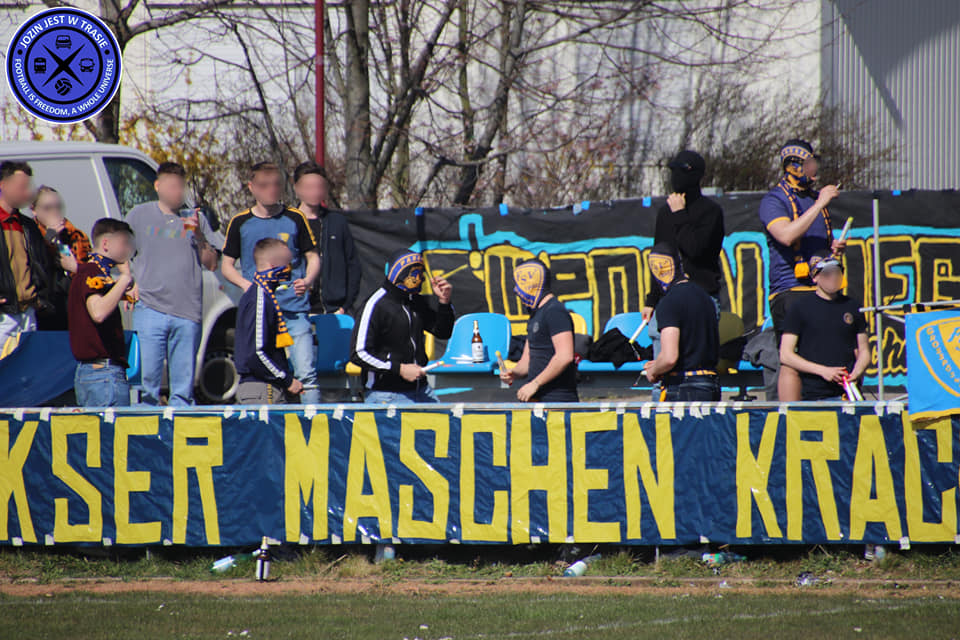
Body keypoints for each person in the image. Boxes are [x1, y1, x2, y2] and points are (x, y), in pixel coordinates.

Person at [222, 162, 321, 403]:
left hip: (293, 310)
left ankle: (314, 432)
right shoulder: (240, 222)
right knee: (266, 371)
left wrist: (307, 280)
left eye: (276, 185)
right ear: (252, 187)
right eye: (264, 186)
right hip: (262, 312)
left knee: (306, 376)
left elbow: (312, 257)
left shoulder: (294, 217)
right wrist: (248, 286)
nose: (271, 191)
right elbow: (226, 265)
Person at [126, 162, 219, 406]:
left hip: (187, 311)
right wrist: (129, 283)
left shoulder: (195, 218)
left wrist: (199, 234)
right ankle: (144, 428)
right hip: (150, 307)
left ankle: (180, 424)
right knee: (147, 381)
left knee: (183, 385)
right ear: (158, 186)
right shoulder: (139, 215)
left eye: (181, 186)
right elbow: (121, 252)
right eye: (171, 186)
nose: (177, 191)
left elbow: (211, 263)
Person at [758, 139, 845, 401]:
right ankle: (791, 417)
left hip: (819, 289)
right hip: (791, 292)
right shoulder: (775, 199)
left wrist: (833, 249)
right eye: (808, 163)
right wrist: (820, 204)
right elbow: (785, 235)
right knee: (792, 359)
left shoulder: (813, 199)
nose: (813, 169)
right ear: (793, 166)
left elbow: (814, 246)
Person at [642, 150, 724, 357]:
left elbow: (696, 250)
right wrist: (651, 299)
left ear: (696, 175)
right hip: (667, 299)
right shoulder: (665, 212)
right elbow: (660, 259)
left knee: (698, 364)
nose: (676, 178)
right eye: (673, 172)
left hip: (701, 296)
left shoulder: (710, 211)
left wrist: (679, 215)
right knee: (663, 372)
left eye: (682, 172)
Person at [351, 249, 454, 404]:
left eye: (420, 274)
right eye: (415, 274)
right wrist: (400, 369)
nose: (420, 279)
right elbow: (358, 353)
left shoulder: (415, 301)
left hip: (421, 389)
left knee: (448, 425)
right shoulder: (375, 305)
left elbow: (443, 332)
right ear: (401, 274)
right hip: (385, 394)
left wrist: (444, 302)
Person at [779, 253, 869, 401]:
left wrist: (855, 374)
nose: (833, 277)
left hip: (846, 391)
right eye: (827, 274)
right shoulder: (800, 308)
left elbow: (864, 351)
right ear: (815, 278)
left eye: (837, 272)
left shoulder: (853, 306)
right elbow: (785, 354)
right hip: (814, 394)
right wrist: (823, 371)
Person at [68, 218, 136, 407]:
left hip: (96, 374)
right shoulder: (92, 273)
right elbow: (97, 312)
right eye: (124, 243)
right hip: (103, 374)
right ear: (106, 243)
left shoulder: (95, 274)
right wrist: (125, 279)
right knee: (111, 436)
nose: (128, 250)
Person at [642, 243, 720, 401]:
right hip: (711, 384)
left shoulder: (668, 302)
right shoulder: (705, 298)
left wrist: (654, 370)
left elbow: (670, 357)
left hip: (684, 387)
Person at [234, 238, 304, 404]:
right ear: (274, 265)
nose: (290, 270)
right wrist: (287, 379)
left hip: (268, 387)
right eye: (287, 263)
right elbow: (257, 352)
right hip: (262, 390)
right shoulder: (259, 298)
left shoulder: (263, 296)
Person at [499, 259, 578, 402]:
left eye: (520, 283)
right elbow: (526, 362)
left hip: (558, 401)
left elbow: (565, 356)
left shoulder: (555, 311)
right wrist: (514, 373)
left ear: (532, 282)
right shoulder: (535, 314)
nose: (516, 290)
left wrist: (535, 384)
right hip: (537, 401)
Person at [292, 161, 361, 315]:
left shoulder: (337, 222)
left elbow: (353, 265)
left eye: (319, 186)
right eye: (309, 187)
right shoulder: (286, 222)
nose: (315, 191)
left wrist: (344, 306)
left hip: (333, 312)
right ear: (297, 188)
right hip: (296, 311)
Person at [0, 160, 52, 351]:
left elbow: (42, 264)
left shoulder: (28, 227)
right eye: (20, 187)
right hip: (4, 316)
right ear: (3, 185)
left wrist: (40, 299)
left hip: (28, 313)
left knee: (27, 373)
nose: (26, 192)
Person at [32, 185, 92, 331]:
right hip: (43, 309)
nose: (54, 212)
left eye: (58, 207)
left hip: (72, 306)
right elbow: (34, 263)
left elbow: (91, 268)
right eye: (47, 208)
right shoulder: (30, 234)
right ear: (34, 210)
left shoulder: (76, 236)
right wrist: (50, 236)